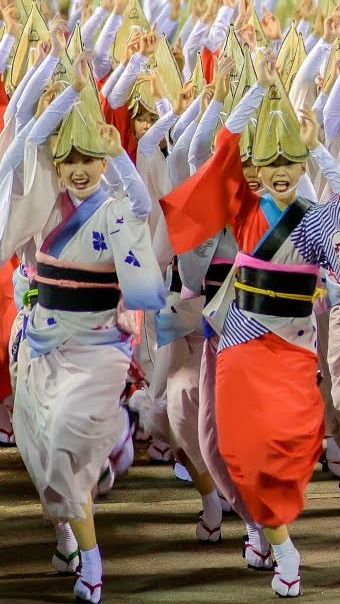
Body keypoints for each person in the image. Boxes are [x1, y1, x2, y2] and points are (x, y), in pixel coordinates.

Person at [159, 58, 340, 597]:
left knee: (290, 444)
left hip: (292, 346)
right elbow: (223, 143)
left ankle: (269, 530)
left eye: (292, 159)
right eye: (272, 160)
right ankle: (283, 549)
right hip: (240, 339)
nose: (282, 168)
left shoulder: (314, 216)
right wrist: (259, 89)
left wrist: (318, 147)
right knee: (242, 448)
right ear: (257, 168)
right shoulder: (243, 207)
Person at [6, 54, 166, 604]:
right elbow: (22, 132)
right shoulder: (43, 207)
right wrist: (67, 87)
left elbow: (144, 203)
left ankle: (92, 560)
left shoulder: (115, 207)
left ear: (102, 160)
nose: (78, 168)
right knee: (44, 453)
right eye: (68, 158)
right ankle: (66, 535)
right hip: (42, 344)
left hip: (96, 348)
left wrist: (115, 147)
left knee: (70, 435)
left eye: (89, 159)